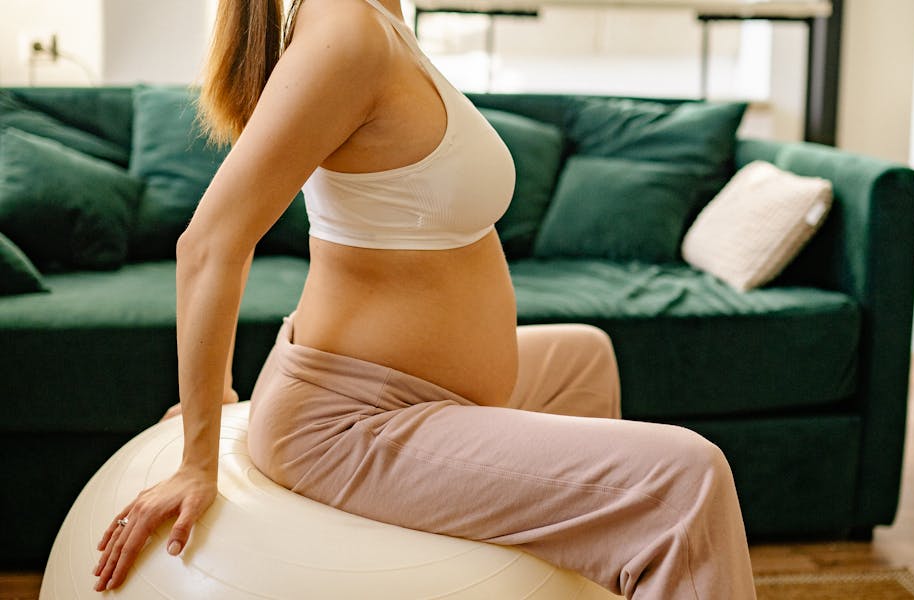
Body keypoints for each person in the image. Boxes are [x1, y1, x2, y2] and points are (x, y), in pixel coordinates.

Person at [92, 0, 757, 597]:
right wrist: (198, 458)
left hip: (413, 393)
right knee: (686, 481)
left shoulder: (383, 19)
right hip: (348, 423)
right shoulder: (347, 32)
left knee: (586, 358)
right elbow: (208, 244)